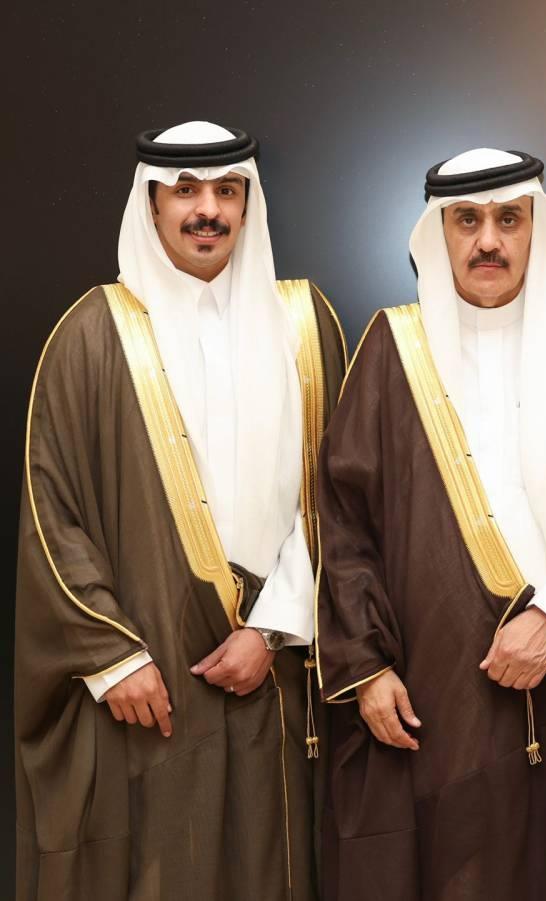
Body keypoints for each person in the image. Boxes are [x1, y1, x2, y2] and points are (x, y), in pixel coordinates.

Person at [316, 148, 546, 900]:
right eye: (467, 221)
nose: (489, 241)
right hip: (438, 691)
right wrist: (367, 668)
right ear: (438, 233)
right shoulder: (392, 347)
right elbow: (345, 526)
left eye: (509, 219)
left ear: (537, 228)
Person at [15, 121, 347, 901]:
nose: (208, 210)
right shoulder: (92, 333)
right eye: (186, 191)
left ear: (247, 205)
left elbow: (340, 499)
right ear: (151, 203)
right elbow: (50, 508)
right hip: (148, 669)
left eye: (227, 191)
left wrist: (274, 627)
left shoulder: (304, 326)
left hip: (272, 664)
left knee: (270, 863)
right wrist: (114, 657)